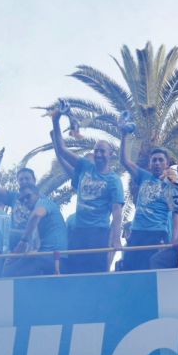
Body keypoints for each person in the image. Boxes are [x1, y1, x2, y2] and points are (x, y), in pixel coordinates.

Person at [49, 108, 125, 273]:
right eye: (96, 150)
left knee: (96, 271)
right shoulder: (85, 166)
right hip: (78, 230)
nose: (98, 154)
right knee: (74, 270)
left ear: (110, 155)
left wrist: (116, 238)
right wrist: (55, 121)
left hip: (98, 232)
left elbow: (117, 212)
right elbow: (62, 150)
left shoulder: (113, 180)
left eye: (102, 151)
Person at [118, 135, 178, 272]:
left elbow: (177, 214)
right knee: (129, 270)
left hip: (157, 234)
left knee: (152, 271)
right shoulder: (143, 176)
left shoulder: (171, 185)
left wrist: (175, 238)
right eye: (154, 160)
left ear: (167, 163)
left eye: (160, 160)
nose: (157, 163)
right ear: (149, 164)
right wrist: (124, 135)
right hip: (136, 233)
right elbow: (124, 160)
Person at [6, 181, 69, 278]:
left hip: (54, 257)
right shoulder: (33, 215)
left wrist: (23, 240)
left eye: (28, 196)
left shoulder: (43, 202)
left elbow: (37, 214)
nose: (25, 201)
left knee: (11, 272)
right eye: (22, 200)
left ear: (37, 194)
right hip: (44, 255)